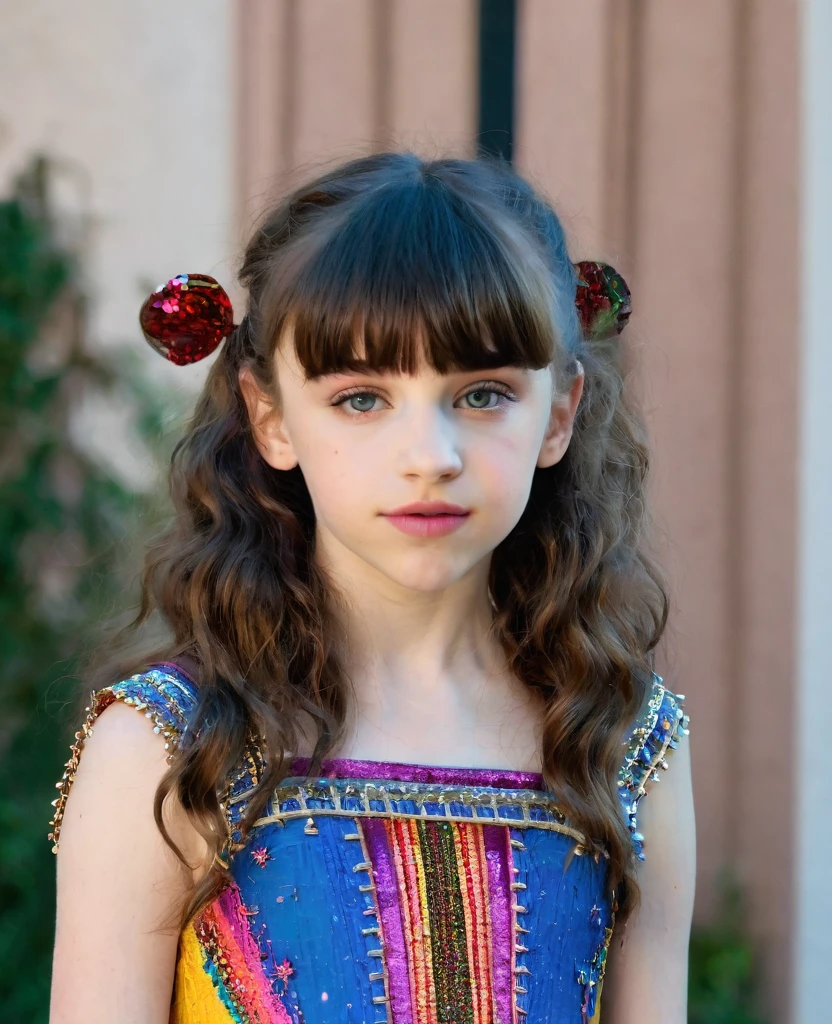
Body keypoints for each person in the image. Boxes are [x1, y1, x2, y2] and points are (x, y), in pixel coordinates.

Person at [48, 151, 695, 1024]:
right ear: (271, 416)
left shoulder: (622, 736)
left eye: (484, 393)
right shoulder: (169, 748)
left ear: (561, 413)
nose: (430, 456)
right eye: (361, 398)